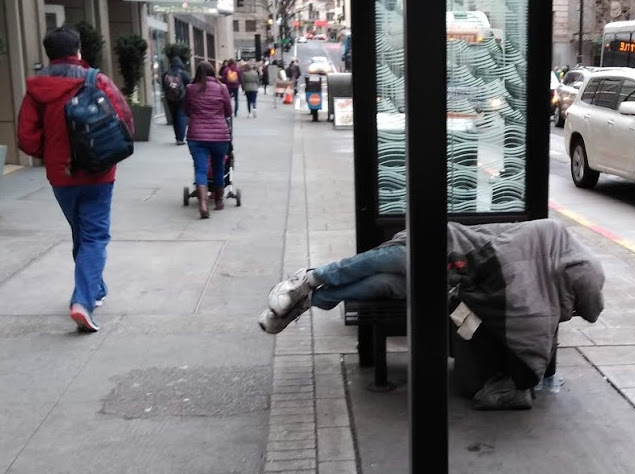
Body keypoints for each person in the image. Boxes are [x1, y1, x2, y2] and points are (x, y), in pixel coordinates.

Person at [257, 219, 606, 406]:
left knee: (384, 283)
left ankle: (311, 299)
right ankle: (311, 278)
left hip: (451, 287)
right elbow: (505, 254)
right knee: (401, 259)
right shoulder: (551, 234)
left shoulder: (546, 297)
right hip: (457, 249)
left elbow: (536, 322)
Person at [17, 26, 134, 332]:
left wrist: (53, 150)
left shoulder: (36, 88)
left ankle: (95, 289)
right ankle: (82, 300)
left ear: (49, 54)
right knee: (94, 236)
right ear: (78, 50)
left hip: (61, 176)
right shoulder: (96, 79)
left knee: (82, 233)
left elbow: (26, 140)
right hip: (98, 173)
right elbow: (125, 120)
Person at [184, 60, 232, 219]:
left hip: (196, 136)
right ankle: (218, 200)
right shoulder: (222, 88)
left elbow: (186, 110)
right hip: (220, 136)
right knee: (219, 166)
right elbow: (228, 111)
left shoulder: (191, 89)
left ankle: (203, 205)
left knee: (201, 169)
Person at [162, 56, 192, 145]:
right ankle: (180, 138)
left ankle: (177, 136)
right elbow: (189, 84)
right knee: (181, 116)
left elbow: (164, 85)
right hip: (181, 97)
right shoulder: (184, 73)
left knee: (174, 117)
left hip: (170, 98)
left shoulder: (166, 73)